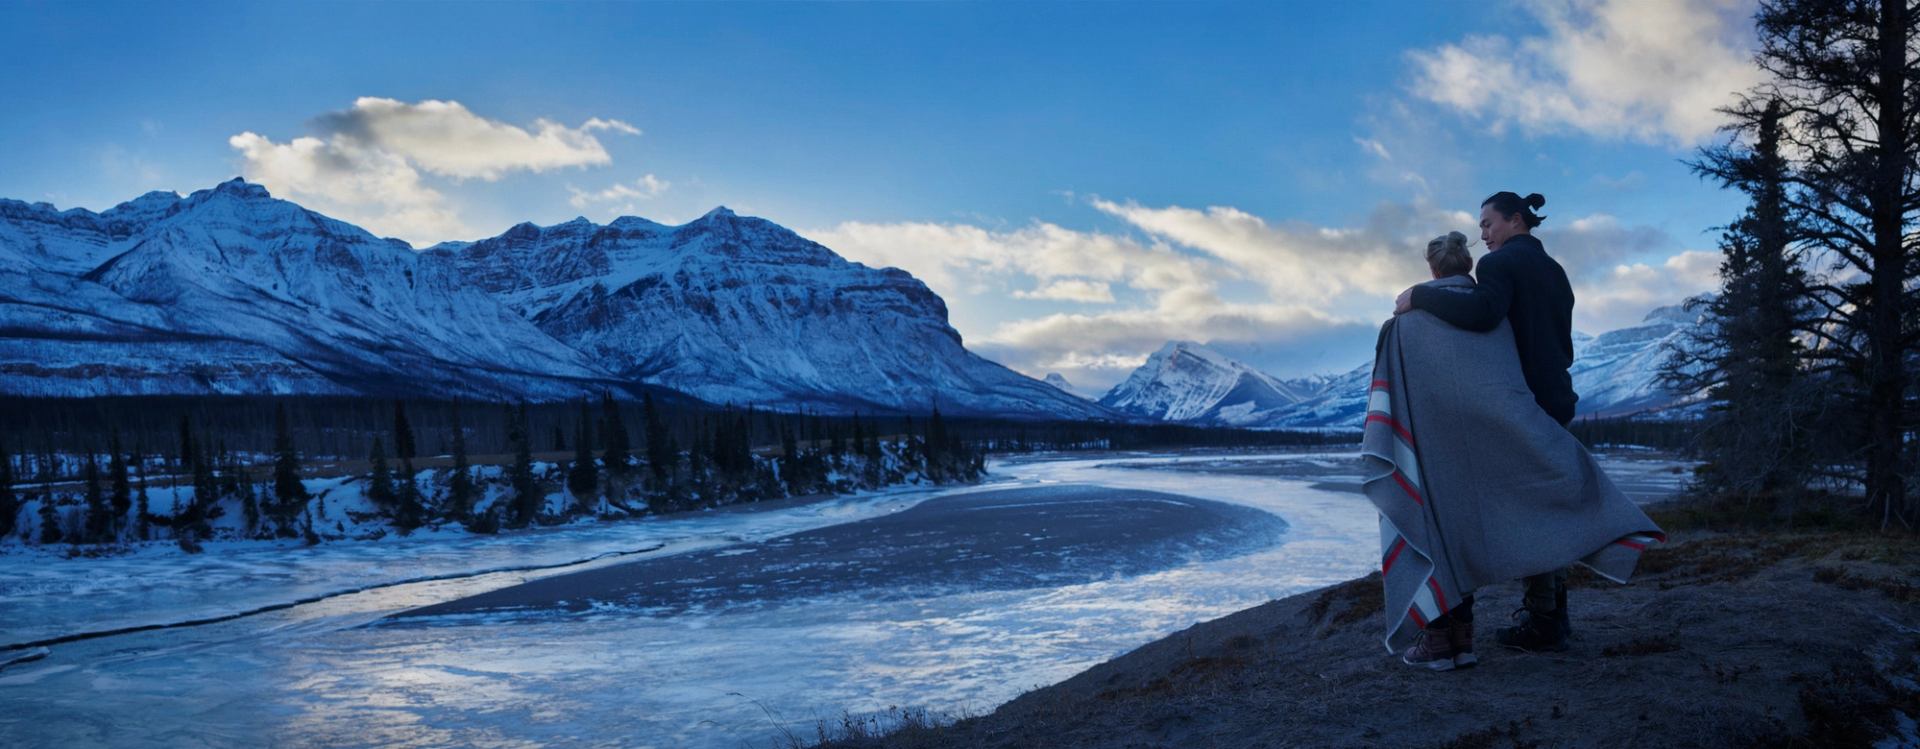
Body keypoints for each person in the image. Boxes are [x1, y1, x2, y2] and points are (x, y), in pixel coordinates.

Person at [1393, 191, 1578, 653]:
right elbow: (1561, 342)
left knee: (1471, 504)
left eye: (1488, 224)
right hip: (1556, 398)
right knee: (1544, 507)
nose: (1483, 235)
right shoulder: (1555, 270)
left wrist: (1419, 295)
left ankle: (1463, 623)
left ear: (1515, 221)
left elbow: (1481, 313)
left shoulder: (1498, 266)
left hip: (1518, 406)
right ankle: (1548, 615)